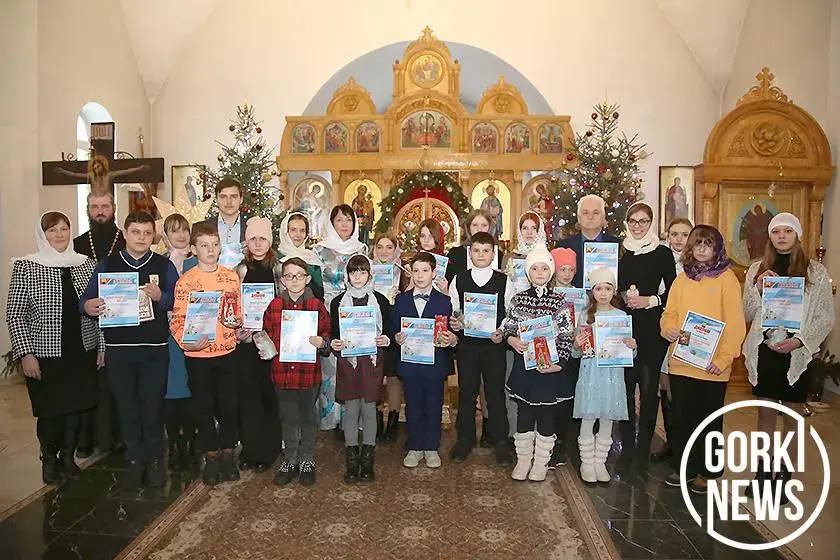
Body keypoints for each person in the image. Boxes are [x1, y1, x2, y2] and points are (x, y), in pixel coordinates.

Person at [80, 212, 179, 489]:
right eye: (136, 232)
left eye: (147, 233)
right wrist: (88, 307)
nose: (141, 238)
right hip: (119, 350)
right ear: (125, 233)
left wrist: (161, 297)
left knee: (152, 406)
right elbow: (85, 301)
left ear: (153, 236)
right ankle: (135, 460)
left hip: (154, 350)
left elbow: (179, 301)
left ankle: (155, 460)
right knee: (127, 408)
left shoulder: (164, 265)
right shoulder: (107, 265)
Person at [743, 213, 834, 501]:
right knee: (766, 413)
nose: (781, 236)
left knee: (793, 416)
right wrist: (757, 288)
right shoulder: (756, 268)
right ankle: (762, 473)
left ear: (797, 235)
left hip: (797, 353)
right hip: (766, 350)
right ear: (769, 236)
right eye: (776, 231)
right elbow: (747, 311)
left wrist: (799, 341)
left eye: (788, 231)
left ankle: (784, 477)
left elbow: (825, 316)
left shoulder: (815, 272)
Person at [6, 212, 102, 484]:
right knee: (51, 411)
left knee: (77, 409)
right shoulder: (26, 266)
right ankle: (49, 458)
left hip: (82, 350)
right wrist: (26, 354)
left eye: (63, 229)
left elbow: (101, 307)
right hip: (44, 354)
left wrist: (102, 347)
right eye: (52, 230)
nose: (59, 235)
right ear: (42, 235)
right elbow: (15, 315)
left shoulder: (86, 264)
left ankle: (68, 457)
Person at [661, 225, 746, 493]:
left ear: (716, 249)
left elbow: (735, 324)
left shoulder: (727, 280)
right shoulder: (682, 279)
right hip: (682, 363)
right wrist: (668, 329)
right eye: (697, 244)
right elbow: (669, 313)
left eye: (707, 244)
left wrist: (723, 359)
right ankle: (684, 467)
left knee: (709, 420)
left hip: (712, 367)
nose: (701, 249)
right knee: (682, 419)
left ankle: (708, 472)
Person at [170, 222, 243, 485]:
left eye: (214, 245)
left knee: (229, 406)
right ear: (193, 249)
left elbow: (237, 313)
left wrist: (238, 323)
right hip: (198, 356)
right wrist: (186, 343)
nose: (210, 250)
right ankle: (210, 456)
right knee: (203, 408)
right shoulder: (186, 282)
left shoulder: (231, 277)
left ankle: (228, 454)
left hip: (227, 353)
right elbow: (177, 320)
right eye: (204, 245)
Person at [504, 247, 574, 482]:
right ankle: (523, 459)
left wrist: (559, 363)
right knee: (524, 414)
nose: (540, 272)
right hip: (525, 369)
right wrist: (512, 340)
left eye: (545, 268)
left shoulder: (559, 301)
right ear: (528, 272)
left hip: (549, 371)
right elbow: (509, 327)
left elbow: (566, 335)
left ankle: (541, 462)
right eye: (535, 268)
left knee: (545, 416)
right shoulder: (518, 299)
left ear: (551, 272)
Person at [616, 202, 676, 472]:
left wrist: (650, 300)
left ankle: (644, 446)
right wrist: (621, 297)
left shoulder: (662, 253)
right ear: (626, 223)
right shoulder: (620, 251)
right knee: (626, 388)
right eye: (633, 221)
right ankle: (628, 445)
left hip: (652, 328)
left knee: (649, 390)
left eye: (643, 221)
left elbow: (673, 292)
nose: (637, 226)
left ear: (651, 224)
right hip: (623, 327)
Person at [263, 257, 331, 486]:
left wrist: (322, 343)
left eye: (299, 275)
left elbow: (327, 337)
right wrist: (263, 347)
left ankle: (307, 460)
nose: (294, 280)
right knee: (288, 419)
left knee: (309, 419)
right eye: (289, 276)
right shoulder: (274, 306)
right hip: (282, 374)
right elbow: (266, 335)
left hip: (308, 375)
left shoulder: (316, 306)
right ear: (282, 280)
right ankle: (290, 460)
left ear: (307, 279)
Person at [448, 232, 514, 466]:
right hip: (468, 347)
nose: (481, 255)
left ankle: (500, 441)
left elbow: (511, 313)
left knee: (495, 395)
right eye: (476, 250)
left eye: (486, 251)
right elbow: (454, 309)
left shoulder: (504, 281)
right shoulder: (459, 279)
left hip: (493, 347)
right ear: (470, 253)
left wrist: (502, 331)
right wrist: (456, 322)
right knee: (467, 394)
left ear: (493, 254)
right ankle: (464, 439)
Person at [330, 255, 392, 483]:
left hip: (371, 361)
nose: (357, 276)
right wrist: (335, 343)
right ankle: (352, 462)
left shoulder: (380, 301)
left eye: (362, 272)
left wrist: (385, 340)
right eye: (353, 272)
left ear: (369, 275)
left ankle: (367, 462)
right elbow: (334, 334)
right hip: (348, 361)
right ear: (347, 275)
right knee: (351, 409)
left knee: (368, 410)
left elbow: (388, 333)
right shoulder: (337, 302)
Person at [393, 252, 458, 468]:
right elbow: (394, 328)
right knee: (413, 406)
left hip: (435, 364)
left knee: (433, 405)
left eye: (425, 271)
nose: (420, 275)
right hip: (410, 363)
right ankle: (414, 446)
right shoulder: (401, 300)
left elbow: (453, 331)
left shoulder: (445, 301)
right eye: (416, 271)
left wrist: (452, 338)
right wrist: (397, 337)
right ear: (410, 273)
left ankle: (431, 447)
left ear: (433, 273)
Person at [72, 191, 125, 457]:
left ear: (114, 208)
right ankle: (85, 437)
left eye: (105, 206)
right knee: (86, 382)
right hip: (85, 322)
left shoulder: (126, 240)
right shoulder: (77, 244)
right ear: (88, 210)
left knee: (114, 383)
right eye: (95, 207)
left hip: (120, 320)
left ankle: (114, 436)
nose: (100, 211)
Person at [572, 268, 635, 483]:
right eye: (598, 289)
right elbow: (575, 352)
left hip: (612, 376)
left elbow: (629, 354)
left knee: (607, 419)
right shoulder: (585, 315)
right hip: (590, 374)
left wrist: (632, 346)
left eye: (608, 288)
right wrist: (577, 344)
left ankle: (600, 463)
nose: (603, 293)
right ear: (592, 291)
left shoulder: (621, 317)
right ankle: (587, 463)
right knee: (588, 418)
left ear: (614, 291)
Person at [233, 217, 283, 473]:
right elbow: (231, 304)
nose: (258, 243)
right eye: (253, 238)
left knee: (270, 396)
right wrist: (236, 328)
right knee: (248, 397)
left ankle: (268, 450)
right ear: (247, 241)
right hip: (246, 343)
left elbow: (288, 303)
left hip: (272, 344)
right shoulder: (239, 270)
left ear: (270, 241)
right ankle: (249, 450)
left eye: (263, 238)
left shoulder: (279, 269)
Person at [315, 204, 366, 433]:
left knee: (352, 365)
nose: (344, 225)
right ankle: (330, 418)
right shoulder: (319, 250)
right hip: (328, 312)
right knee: (330, 366)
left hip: (355, 314)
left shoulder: (362, 249)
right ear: (331, 223)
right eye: (339, 220)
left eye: (348, 220)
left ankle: (350, 420)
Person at [651, 217, 693, 462]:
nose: (679, 239)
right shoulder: (661, 259)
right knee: (665, 387)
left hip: (691, 332)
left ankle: (686, 445)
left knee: (684, 389)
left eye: (684, 234)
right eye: (674, 234)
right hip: (666, 329)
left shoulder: (697, 264)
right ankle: (671, 441)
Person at [160, 214, 196, 471]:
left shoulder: (198, 260)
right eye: (174, 231)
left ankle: (191, 441)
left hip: (196, 334)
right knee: (171, 389)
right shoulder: (158, 263)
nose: (181, 235)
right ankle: (173, 444)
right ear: (165, 235)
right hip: (167, 336)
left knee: (193, 387)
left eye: (184, 230)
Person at [371, 232, 408, 443]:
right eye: (380, 247)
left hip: (395, 326)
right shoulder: (367, 271)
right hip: (374, 327)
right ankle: (376, 420)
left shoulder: (404, 272)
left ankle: (392, 420)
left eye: (389, 247)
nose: (384, 251)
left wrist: (400, 295)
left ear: (396, 250)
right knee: (375, 374)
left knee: (393, 375)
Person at [548, 247, 580, 468]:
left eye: (571, 270)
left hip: (572, 355)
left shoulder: (581, 296)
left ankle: (561, 443)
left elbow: (586, 321)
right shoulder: (547, 294)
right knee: (550, 399)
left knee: (566, 400)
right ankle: (547, 441)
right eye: (562, 269)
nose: (567, 274)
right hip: (552, 352)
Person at [557, 195, 621, 289]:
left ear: (603, 217)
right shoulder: (564, 247)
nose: (590, 217)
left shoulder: (618, 245)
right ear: (579, 218)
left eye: (595, 213)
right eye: (585, 213)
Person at [445, 208, 503, 282]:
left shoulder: (498, 255)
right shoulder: (455, 254)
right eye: (475, 225)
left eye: (484, 225)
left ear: (490, 228)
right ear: (468, 228)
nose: (479, 229)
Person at [277, 211, 325, 301]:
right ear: (285, 232)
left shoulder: (312, 259)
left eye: (302, 230)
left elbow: (319, 293)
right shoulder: (275, 258)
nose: (298, 235)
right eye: (293, 230)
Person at [56, 154, 150, 197]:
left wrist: (139, 168)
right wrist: (63, 171)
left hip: (107, 199)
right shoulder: (91, 176)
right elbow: (75, 175)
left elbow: (125, 171)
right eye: (95, 168)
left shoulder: (109, 175)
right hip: (95, 199)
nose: (96, 169)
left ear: (103, 166)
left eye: (98, 167)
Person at [416, 218, 449, 294]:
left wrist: (444, 290)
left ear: (438, 237)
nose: (426, 240)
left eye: (431, 236)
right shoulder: (414, 261)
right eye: (422, 236)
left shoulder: (448, 265)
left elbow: (451, 298)